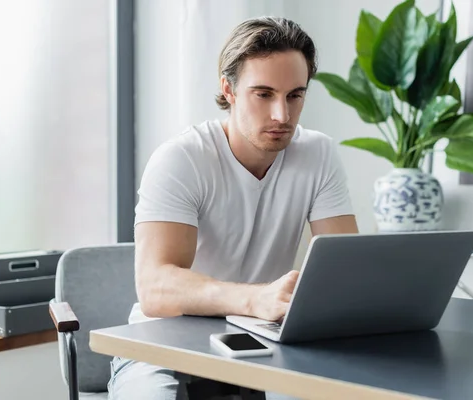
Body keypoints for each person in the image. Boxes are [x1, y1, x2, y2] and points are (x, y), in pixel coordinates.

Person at [108, 16, 358, 400]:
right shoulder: (182, 159)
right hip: (162, 343)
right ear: (229, 90)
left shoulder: (318, 154)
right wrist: (255, 299)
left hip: (268, 342)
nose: (282, 115)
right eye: (263, 94)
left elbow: (346, 269)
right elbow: (156, 289)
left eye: (295, 95)